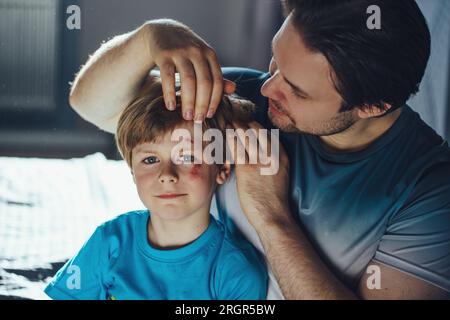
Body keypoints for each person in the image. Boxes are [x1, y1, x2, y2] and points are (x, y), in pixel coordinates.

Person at [68, 0, 450, 299]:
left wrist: (270, 215)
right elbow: (92, 105)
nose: (268, 89)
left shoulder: (429, 193)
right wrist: (149, 39)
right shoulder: (241, 97)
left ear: (372, 106)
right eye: (276, 63)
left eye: (296, 89)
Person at [44, 79, 268, 300]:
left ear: (222, 168)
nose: (167, 175)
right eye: (150, 159)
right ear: (132, 171)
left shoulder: (235, 272)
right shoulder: (109, 241)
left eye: (187, 157)